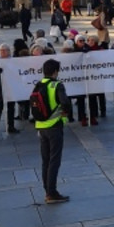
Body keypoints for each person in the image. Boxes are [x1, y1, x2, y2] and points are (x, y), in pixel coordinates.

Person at [35, 58, 72, 203]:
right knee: (54, 160)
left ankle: (47, 190)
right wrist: (65, 112)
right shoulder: (57, 85)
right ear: (55, 71)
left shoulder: (38, 84)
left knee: (45, 160)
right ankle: (52, 192)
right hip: (54, 126)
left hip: (41, 126)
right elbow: (65, 103)